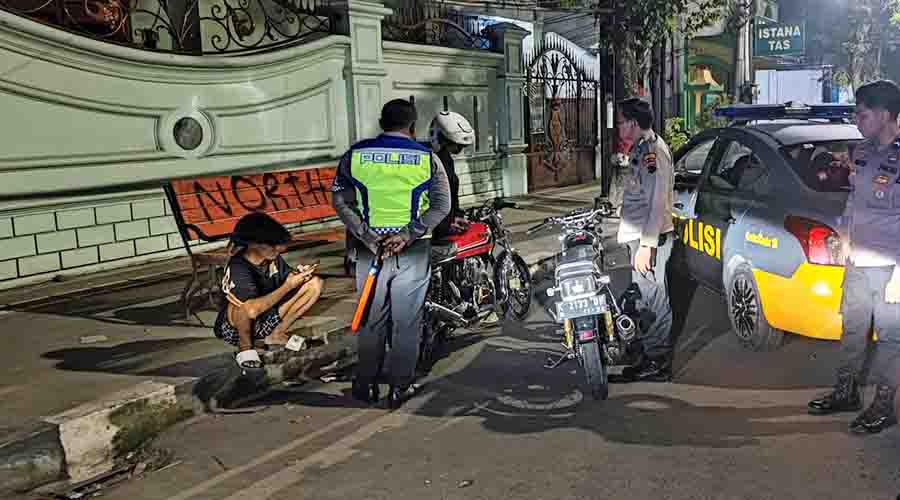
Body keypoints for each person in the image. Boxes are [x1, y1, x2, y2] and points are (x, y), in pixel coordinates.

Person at [331, 98, 451, 409]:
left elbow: (342, 202)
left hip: (369, 251)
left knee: (371, 321)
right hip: (410, 250)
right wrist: (408, 233)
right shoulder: (428, 159)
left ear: (382, 122)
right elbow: (442, 205)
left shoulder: (355, 155)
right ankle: (400, 386)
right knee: (406, 322)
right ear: (412, 126)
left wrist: (368, 236)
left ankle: (366, 385)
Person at [808, 79, 900, 435]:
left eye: (862, 114)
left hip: (890, 268)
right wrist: (844, 236)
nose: (857, 119)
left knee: (890, 338)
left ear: (886, 114)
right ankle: (845, 392)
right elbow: (853, 202)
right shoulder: (860, 153)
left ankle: (885, 404)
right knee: (853, 329)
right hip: (857, 262)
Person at [608, 97, 676, 383]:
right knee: (645, 297)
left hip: (651, 239)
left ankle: (657, 362)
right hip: (640, 236)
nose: (618, 127)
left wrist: (646, 247)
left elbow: (657, 203)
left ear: (634, 123)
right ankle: (647, 353)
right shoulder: (640, 148)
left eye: (621, 121)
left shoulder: (652, 153)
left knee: (654, 300)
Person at [214, 212, 324, 370]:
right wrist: (288, 285)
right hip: (237, 330)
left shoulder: (272, 259)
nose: (278, 249)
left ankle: (276, 335)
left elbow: (288, 279)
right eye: (271, 244)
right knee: (241, 305)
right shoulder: (239, 266)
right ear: (253, 244)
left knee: (315, 284)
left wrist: (300, 276)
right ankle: (245, 348)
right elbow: (251, 311)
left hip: (266, 319)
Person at [429, 110, 476, 240]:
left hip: (445, 224)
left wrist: (456, 216)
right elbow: (435, 199)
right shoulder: (430, 160)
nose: (458, 150)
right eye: (455, 145)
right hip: (434, 229)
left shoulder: (447, 159)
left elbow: (451, 194)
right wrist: (445, 224)